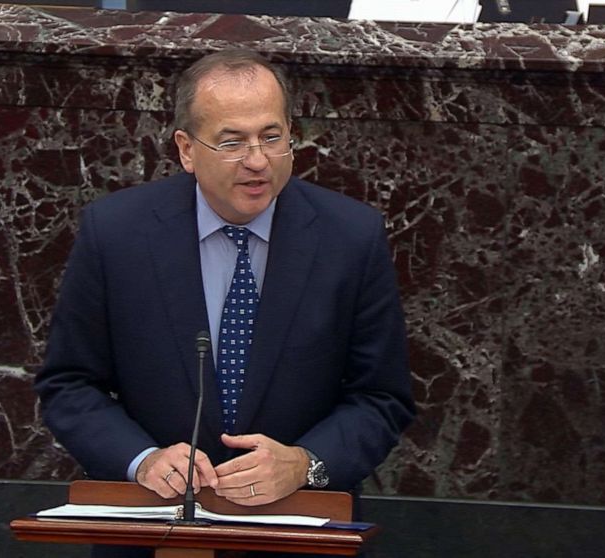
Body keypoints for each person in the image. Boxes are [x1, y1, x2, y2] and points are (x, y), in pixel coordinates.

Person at [34, 48, 415, 557]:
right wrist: (141, 459)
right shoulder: (118, 233)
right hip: (151, 532)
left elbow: (381, 397)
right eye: (232, 141)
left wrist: (306, 463)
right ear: (187, 149)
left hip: (296, 535)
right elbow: (69, 384)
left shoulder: (350, 236)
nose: (257, 160)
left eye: (271, 137)